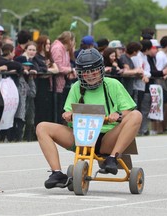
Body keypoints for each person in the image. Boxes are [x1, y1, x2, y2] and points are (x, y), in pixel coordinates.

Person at [36, 48, 142, 189]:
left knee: (136, 115)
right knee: (42, 127)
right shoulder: (76, 87)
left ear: (101, 69)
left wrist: (118, 115)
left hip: (106, 138)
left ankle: (113, 158)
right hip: (81, 136)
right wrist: (67, 115)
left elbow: (128, 110)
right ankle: (57, 173)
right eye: (85, 72)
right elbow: (68, 111)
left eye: (94, 71)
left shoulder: (113, 84)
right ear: (80, 73)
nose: (90, 75)